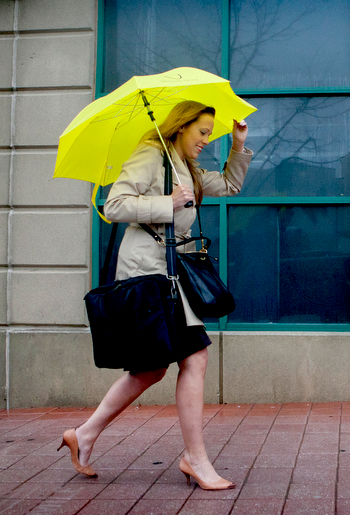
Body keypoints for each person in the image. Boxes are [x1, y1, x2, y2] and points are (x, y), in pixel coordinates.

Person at [57, 100, 252, 490]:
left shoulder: (187, 168)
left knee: (152, 368)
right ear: (181, 127)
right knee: (193, 356)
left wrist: (237, 145)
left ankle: (85, 434)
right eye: (202, 132)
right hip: (147, 274)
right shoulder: (151, 154)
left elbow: (229, 185)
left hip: (171, 275)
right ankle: (195, 459)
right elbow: (113, 205)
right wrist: (168, 202)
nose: (205, 140)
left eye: (210, 134)